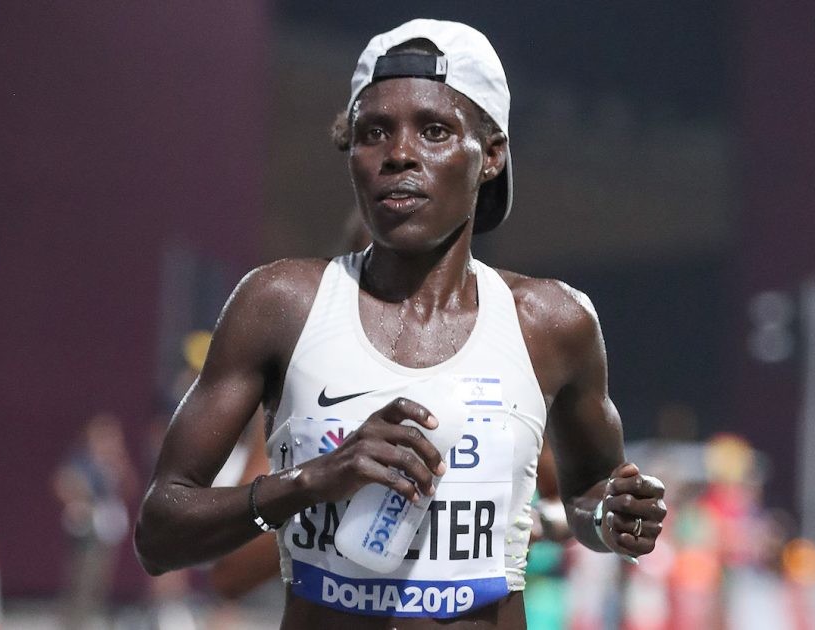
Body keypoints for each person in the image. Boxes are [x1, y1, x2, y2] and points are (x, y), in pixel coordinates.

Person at [137, 19, 667, 628]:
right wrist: (311, 481)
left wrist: (609, 518)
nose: (399, 154)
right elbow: (159, 534)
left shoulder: (554, 323)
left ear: (492, 155)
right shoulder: (279, 304)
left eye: (435, 130)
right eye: (373, 132)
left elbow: (588, 497)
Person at [54, 412, 137, 629]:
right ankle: (74, 622)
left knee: (101, 578)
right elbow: (63, 483)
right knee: (82, 577)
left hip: (106, 527)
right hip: (86, 527)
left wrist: (121, 470)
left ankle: (92, 617)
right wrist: (79, 499)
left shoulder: (115, 464)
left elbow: (129, 489)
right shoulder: (82, 461)